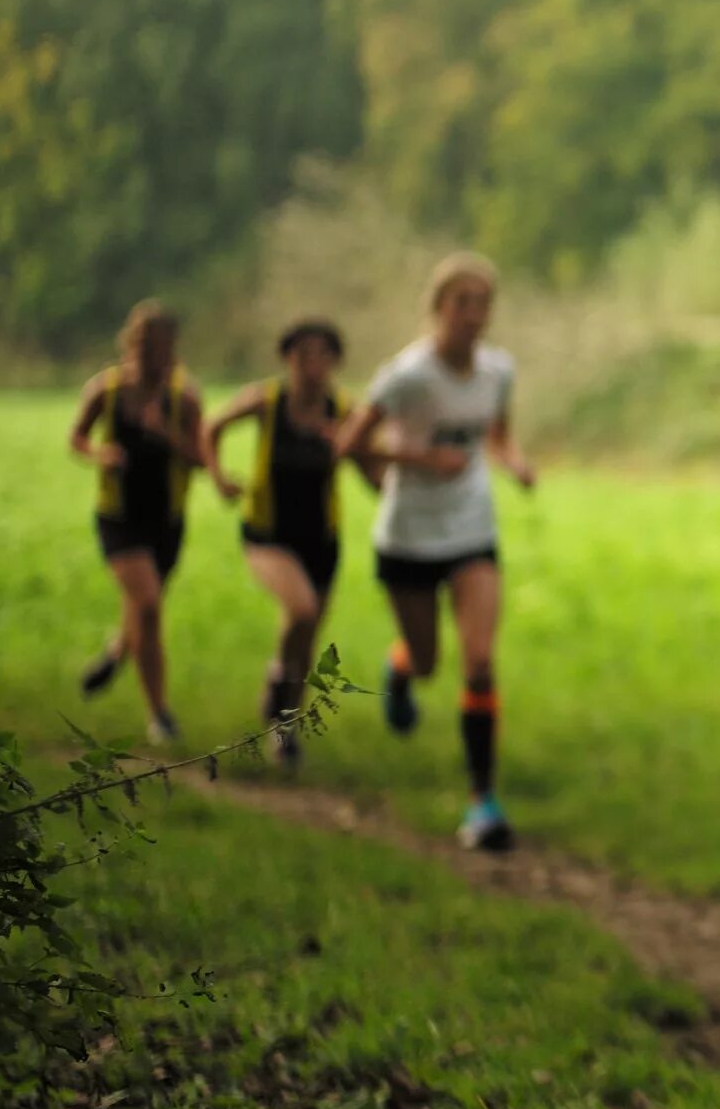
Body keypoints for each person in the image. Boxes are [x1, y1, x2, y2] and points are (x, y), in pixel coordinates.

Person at [335, 254, 535, 849]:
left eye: (482, 303)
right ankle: (401, 669)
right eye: (461, 302)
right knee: (429, 663)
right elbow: (351, 444)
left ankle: (483, 804)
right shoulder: (408, 377)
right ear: (438, 309)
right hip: (409, 536)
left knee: (478, 661)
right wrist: (421, 461)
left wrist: (514, 460)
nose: (473, 315)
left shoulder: (499, 370)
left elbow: (496, 432)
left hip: (473, 530)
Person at [200, 318, 367, 771]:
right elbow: (210, 427)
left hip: (322, 540)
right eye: (302, 354)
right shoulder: (266, 400)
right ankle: (277, 680)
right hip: (268, 533)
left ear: (335, 361)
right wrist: (218, 477)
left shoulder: (346, 409)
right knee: (301, 609)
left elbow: (372, 470)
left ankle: (285, 730)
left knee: (307, 640)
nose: (312, 364)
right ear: (287, 358)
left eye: (322, 355)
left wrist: (353, 449)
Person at [66, 299, 204, 747]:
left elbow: (201, 458)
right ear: (128, 343)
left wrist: (166, 432)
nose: (149, 352)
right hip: (119, 518)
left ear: (173, 349)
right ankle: (160, 715)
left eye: (159, 344)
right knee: (147, 606)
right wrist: (98, 453)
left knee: (142, 610)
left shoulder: (184, 398)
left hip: (166, 520)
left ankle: (115, 653)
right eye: (142, 342)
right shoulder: (105, 391)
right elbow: (77, 438)